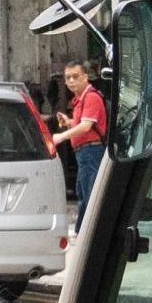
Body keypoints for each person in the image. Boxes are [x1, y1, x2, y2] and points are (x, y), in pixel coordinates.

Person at [54, 62, 107, 214]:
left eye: (75, 76)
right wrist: (69, 122)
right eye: (68, 77)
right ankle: (82, 230)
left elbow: (85, 126)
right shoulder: (80, 100)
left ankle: (86, 232)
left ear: (85, 77)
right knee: (83, 192)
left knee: (89, 195)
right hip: (85, 153)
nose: (71, 81)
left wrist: (61, 137)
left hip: (91, 151)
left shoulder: (90, 98)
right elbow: (84, 124)